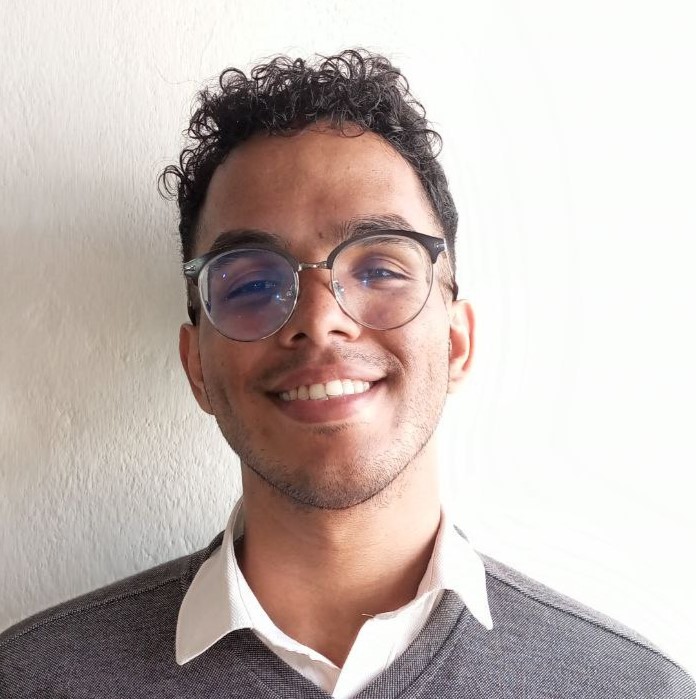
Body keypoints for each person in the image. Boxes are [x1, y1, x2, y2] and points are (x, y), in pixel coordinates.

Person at [0, 49, 694, 699]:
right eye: (251, 283)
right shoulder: (33, 680)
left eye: (381, 268)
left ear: (457, 342)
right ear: (198, 367)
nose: (320, 318)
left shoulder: (635, 687)